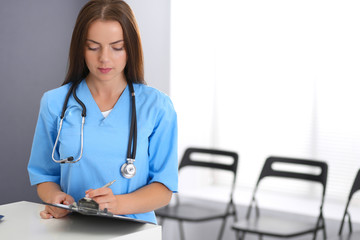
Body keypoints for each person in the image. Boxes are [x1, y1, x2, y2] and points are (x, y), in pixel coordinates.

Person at [27, 0, 178, 224]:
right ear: (80, 47)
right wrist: (55, 198)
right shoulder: (55, 103)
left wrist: (117, 204)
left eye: (117, 47)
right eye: (93, 47)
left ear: (131, 48)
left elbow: (164, 187)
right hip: (72, 229)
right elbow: (44, 175)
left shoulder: (157, 106)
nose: (104, 58)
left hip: (134, 232)